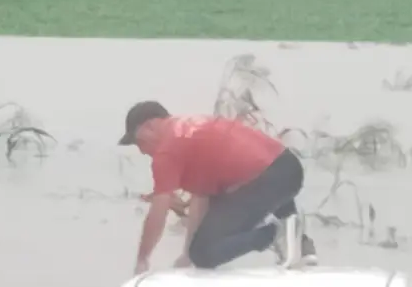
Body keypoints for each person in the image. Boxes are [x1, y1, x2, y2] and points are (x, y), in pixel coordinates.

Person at [118, 100, 316, 276]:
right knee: (225, 195)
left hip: (266, 181)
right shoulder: (193, 125)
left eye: (138, 142)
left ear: (149, 126)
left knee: (203, 254)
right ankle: (301, 245)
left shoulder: (167, 150)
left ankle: (273, 235)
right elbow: (201, 198)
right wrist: (186, 256)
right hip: (289, 169)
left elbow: (158, 211)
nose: (142, 151)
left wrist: (142, 260)